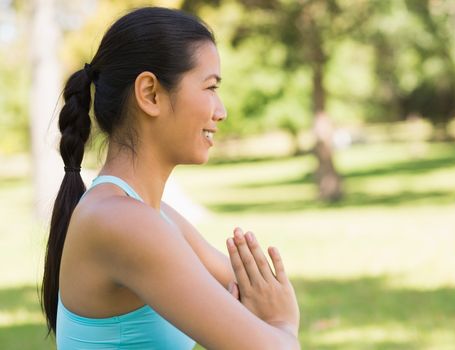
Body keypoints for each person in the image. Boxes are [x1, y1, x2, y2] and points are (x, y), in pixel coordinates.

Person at [41, 7, 300, 350]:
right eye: (210, 87)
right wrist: (283, 324)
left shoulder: (153, 215)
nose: (220, 111)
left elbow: (249, 293)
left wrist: (268, 318)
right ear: (149, 94)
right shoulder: (123, 222)